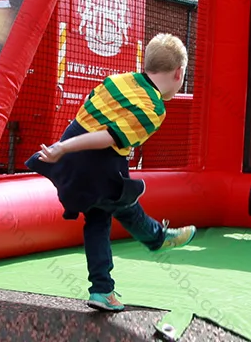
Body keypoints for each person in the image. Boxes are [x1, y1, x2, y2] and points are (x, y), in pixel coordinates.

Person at [26, 33, 196, 312]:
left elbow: (87, 114)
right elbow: (107, 136)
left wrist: (66, 149)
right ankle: (155, 239)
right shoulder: (153, 107)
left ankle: (103, 289)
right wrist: (62, 148)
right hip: (93, 161)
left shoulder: (118, 80)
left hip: (78, 160)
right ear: (179, 73)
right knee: (122, 204)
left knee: (99, 216)